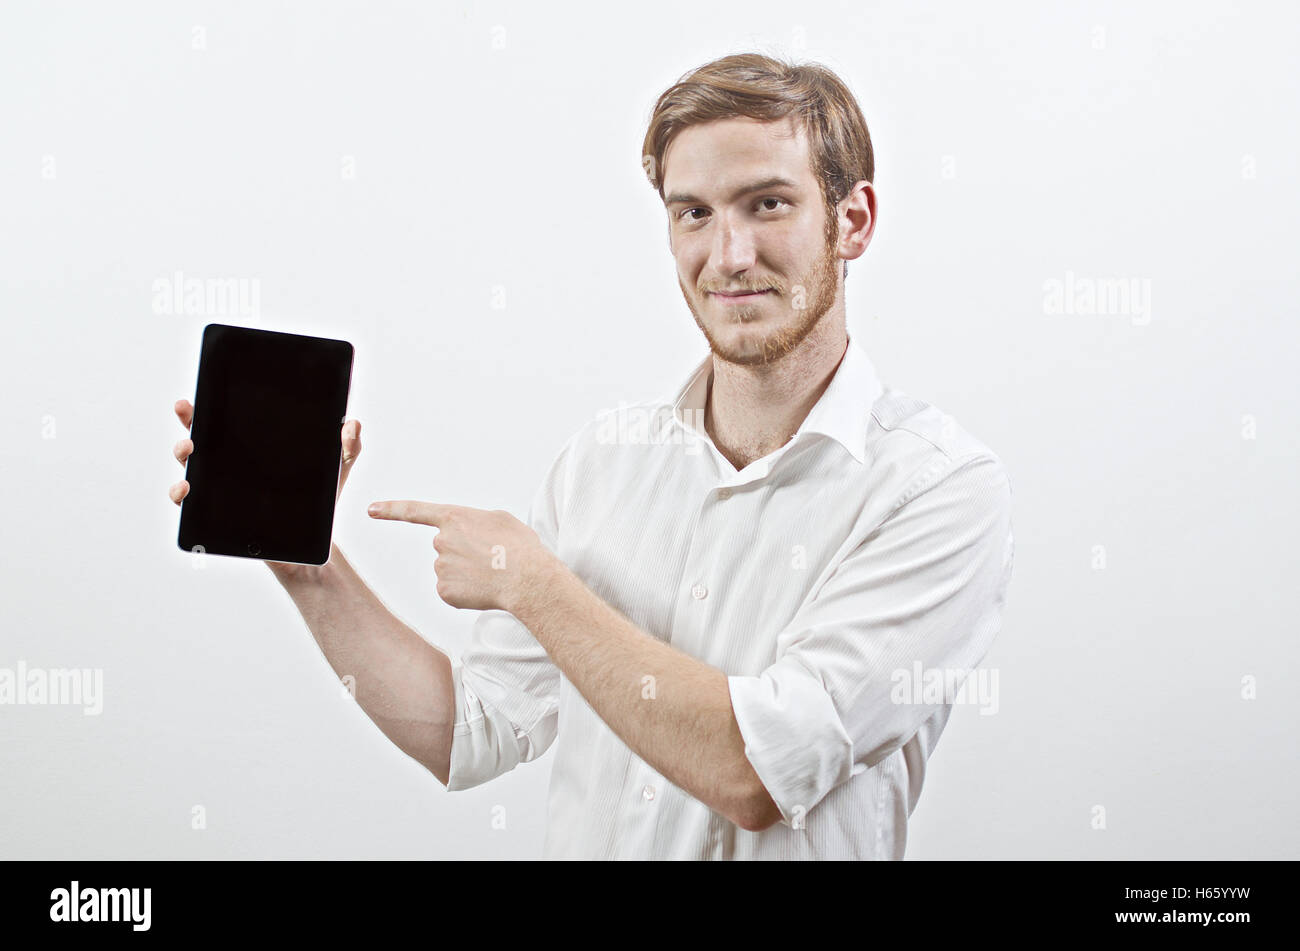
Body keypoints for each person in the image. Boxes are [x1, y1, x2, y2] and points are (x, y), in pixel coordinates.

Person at [168, 52, 1014, 860]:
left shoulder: (937, 489)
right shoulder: (602, 464)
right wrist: (308, 567)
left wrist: (534, 584)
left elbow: (756, 771)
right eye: (694, 212)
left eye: (768, 204)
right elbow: (471, 731)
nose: (729, 256)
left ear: (853, 220)